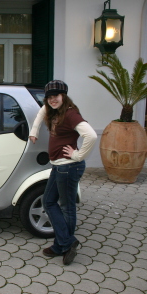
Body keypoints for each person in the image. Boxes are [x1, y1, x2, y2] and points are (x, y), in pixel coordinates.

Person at [29, 80, 97, 265]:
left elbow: (91, 135)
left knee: (67, 207)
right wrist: (33, 131)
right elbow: (42, 111)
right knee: (49, 201)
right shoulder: (52, 110)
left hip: (68, 167)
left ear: (64, 96)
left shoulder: (70, 114)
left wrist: (78, 155)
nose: (52, 100)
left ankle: (64, 244)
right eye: (49, 97)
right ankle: (64, 243)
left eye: (56, 96)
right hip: (59, 166)